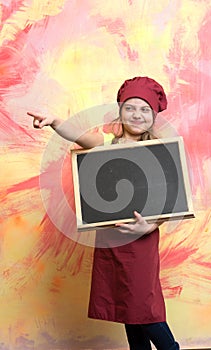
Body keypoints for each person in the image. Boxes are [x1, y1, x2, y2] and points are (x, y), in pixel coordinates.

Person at [28, 76, 180, 350]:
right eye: (130, 107)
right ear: (120, 110)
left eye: (145, 109)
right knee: (127, 308)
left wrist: (147, 227)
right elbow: (77, 135)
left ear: (154, 116)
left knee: (143, 307)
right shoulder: (107, 144)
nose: (137, 114)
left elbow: (170, 204)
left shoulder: (160, 152)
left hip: (141, 244)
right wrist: (54, 121)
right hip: (112, 242)